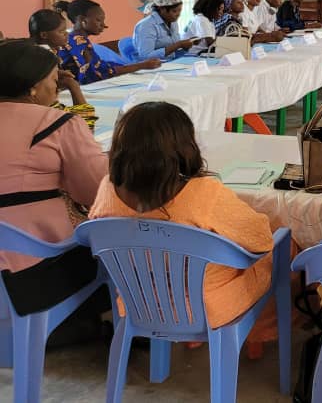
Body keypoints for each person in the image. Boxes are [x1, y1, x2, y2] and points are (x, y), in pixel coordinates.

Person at [89, 102, 277, 337]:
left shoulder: (107, 190)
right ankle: (269, 333)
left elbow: (97, 236)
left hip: (138, 304)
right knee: (283, 245)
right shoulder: (204, 193)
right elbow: (261, 239)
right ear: (185, 147)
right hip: (207, 310)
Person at [0, 40, 107, 325]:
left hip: (11, 264)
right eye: (53, 80)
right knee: (119, 250)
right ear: (33, 87)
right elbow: (96, 192)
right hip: (30, 272)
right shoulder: (58, 123)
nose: (56, 87)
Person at [59, 0, 160, 84]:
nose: (104, 25)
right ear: (82, 20)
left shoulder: (75, 38)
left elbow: (100, 65)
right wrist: (142, 65)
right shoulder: (78, 42)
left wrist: (135, 66)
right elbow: (95, 74)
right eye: (98, 20)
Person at [133, 0, 198, 61]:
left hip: (170, 63)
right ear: (162, 9)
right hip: (152, 66)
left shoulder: (173, 23)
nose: (178, 14)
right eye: (174, 11)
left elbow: (173, 54)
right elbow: (145, 57)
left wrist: (186, 46)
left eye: (179, 10)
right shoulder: (146, 26)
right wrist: (178, 45)